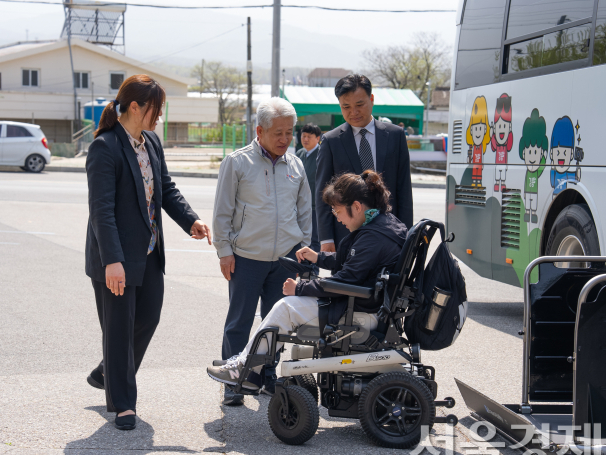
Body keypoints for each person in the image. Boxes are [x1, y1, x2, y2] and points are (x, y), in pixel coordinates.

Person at [85, 75, 211, 430]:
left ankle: (108, 371)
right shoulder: (105, 148)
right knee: (119, 328)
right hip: (116, 258)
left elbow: (165, 189)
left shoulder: (151, 142)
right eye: (156, 110)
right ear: (136, 107)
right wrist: (112, 260)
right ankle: (123, 404)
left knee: (148, 319)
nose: (159, 117)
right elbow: (102, 211)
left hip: (150, 252)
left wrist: (191, 221)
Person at [207, 171, 407, 389]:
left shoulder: (373, 238)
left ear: (357, 207)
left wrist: (299, 288)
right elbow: (355, 263)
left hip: (360, 309)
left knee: (285, 307)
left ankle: (246, 370)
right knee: (286, 307)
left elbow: (346, 280)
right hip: (369, 304)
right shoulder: (385, 223)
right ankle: (248, 365)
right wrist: (318, 257)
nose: (337, 218)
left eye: (338, 211)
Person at [212, 97, 312, 406]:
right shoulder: (237, 162)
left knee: (275, 325)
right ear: (260, 131)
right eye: (277, 133)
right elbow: (222, 212)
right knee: (239, 321)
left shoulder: (296, 164)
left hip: (284, 260)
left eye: (289, 132)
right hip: (246, 257)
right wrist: (224, 251)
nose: (285, 139)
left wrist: (303, 249)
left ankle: (267, 377)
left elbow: (305, 211)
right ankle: (233, 383)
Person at [316, 74, 413, 253]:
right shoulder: (331, 141)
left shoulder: (395, 136)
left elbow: (404, 189)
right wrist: (326, 238)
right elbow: (323, 193)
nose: (354, 112)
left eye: (359, 105)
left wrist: (407, 235)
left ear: (372, 99)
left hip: (389, 234)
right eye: (346, 107)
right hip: (346, 236)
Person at [294, 123, 323, 262]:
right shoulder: (299, 153)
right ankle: (303, 268)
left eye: (309, 136)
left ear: (318, 138)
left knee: (314, 239)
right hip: (299, 204)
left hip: (315, 205)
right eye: (303, 136)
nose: (305, 139)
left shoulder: (322, 155)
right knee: (300, 237)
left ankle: (312, 270)